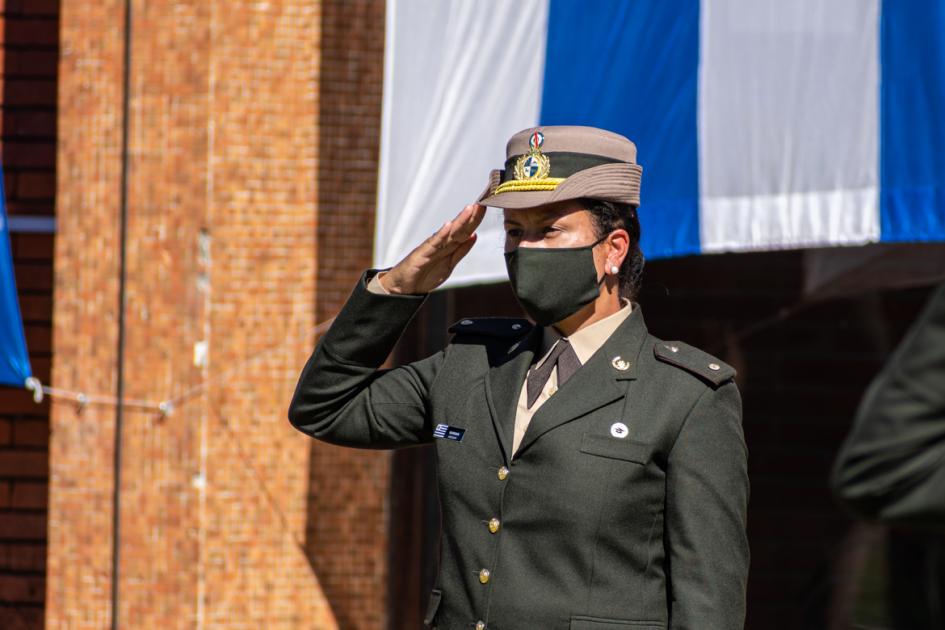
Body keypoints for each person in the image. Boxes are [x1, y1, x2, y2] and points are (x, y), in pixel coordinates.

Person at [289, 126, 749, 629]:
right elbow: (324, 406)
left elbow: (708, 605)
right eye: (514, 232)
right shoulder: (473, 363)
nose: (527, 249)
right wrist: (398, 286)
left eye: (550, 230)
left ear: (613, 249)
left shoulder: (684, 395)